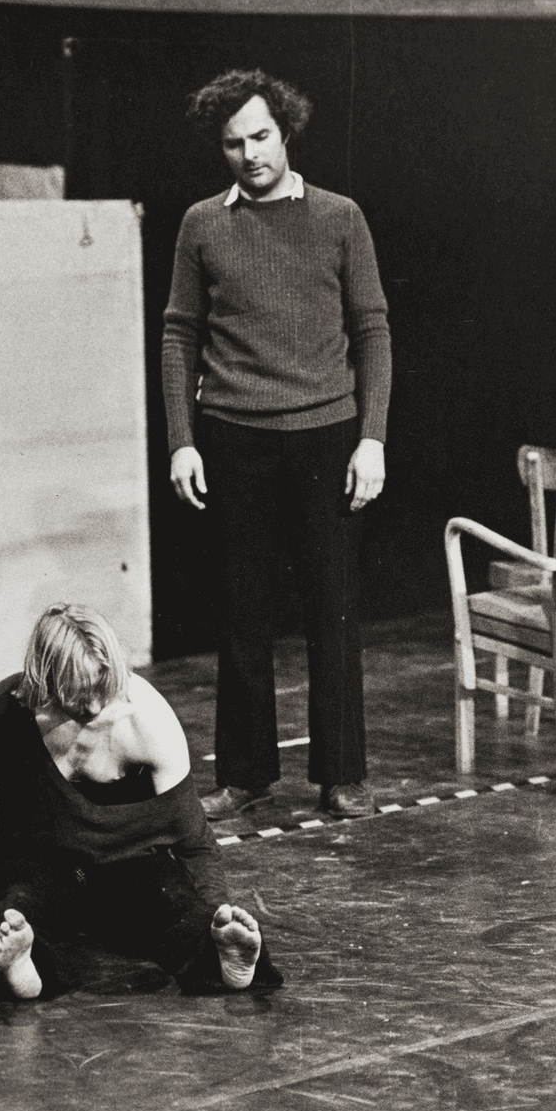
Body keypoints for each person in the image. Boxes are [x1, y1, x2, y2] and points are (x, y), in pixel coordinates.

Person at [162, 68, 390, 821]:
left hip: (325, 436)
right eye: (233, 143)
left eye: (260, 136)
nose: (249, 153)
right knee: (241, 614)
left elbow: (372, 331)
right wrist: (182, 440)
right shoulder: (202, 223)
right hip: (233, 439)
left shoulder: (339, 217)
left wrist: (372, 438)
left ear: (285, 130)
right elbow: (179, 334)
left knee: (333, 611)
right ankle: (245, 773)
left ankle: (341, 773)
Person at [0, 604, 283, 1001]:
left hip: (129, 865)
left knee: (174, 904)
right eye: (77, 694)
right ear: (46, 679)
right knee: (13, 911)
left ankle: (223, 962)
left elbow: (193, 841)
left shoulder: (147, 721)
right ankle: (25, 973)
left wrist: (217, 913)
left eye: (100, 689)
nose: (92, 707)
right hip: (38, 863)